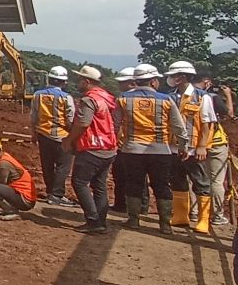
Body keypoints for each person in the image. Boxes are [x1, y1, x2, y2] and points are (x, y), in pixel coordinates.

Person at [115, 63, 187, 234]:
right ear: (154, 81)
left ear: (136, 80)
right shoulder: (166, 100)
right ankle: (165, 225)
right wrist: (183, 145)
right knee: (162, 185)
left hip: (132, 150)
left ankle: (133, 220)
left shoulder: (123, 99)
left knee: (134, 184)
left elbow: (114, 124)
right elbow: (179, 127)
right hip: (161, 151)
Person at [62, 66, 118, 234]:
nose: (77, 82)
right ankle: (101, 221)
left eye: (79, 80)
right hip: (108, 147)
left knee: (79, 182)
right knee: (99, 185)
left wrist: (69, 140)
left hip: (92, 147)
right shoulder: (108, 98)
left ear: (87, 82)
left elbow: (83, 123)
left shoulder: (89, 100)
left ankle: (93, 221)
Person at [163, 61, 214, 232]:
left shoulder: (202, 97)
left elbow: (207, 124)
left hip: (194, 149)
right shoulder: (170, 96)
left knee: (201, 182)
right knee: (177, 180)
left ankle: (203, 220)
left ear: (182, 77)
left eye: (174, 76)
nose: (170, 79)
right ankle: (180, 216)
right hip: (174, 147)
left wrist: (202, 146)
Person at [29, 66, 76, 206]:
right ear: (63, 82)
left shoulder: (38, 95)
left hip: (43, 135)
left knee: (47, 165)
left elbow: (33, 117)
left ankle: (51, 192)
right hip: (62, 136)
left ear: (49, 79)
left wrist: (33, 134)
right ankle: (56, 195)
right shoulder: (66, 98)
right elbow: (70, 119)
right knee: (63, 167)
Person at [194, 73, 231, 227]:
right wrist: (228, 95)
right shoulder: (213, 98)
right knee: (216, 180)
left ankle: (195, 213)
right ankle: (216, 215)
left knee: (195, 179)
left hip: (193, 143)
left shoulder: (184, 96)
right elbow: (229, 114)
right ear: (206, 82)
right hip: (215, 143)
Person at [109, 67, 139, 214]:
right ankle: (140, 208)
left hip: (125, 145)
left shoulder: (123, 100)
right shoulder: (153, 98)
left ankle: (122, 205)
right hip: (144, 145)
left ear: (132, 83)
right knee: (139, 178)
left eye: (122, 82)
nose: (119, 85)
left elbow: (116, 123)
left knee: (121, 175)